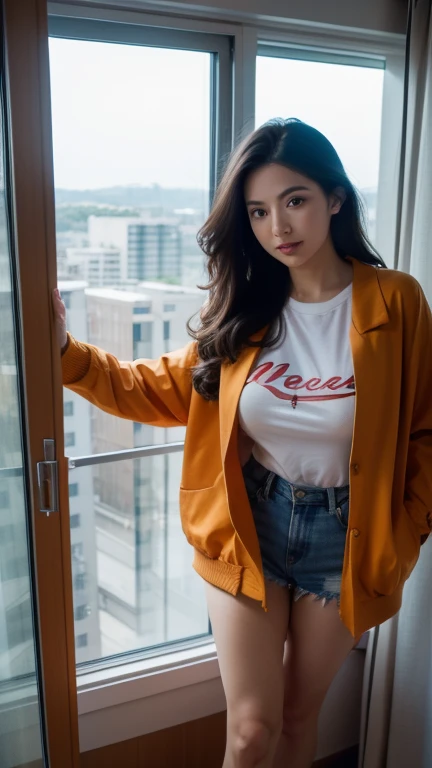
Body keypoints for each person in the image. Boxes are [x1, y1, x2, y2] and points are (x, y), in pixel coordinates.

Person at [52, 118, 432, 768]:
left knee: (295, 718)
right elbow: (150, 389)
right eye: (258, 210)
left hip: (345, 538)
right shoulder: (248, 310)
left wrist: (409, 528)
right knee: (250, 730)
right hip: (249, 525)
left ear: (335, 199)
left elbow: (425, 428)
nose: (278, 227)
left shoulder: (394, 303)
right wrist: (62, 351)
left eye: (295, 201)